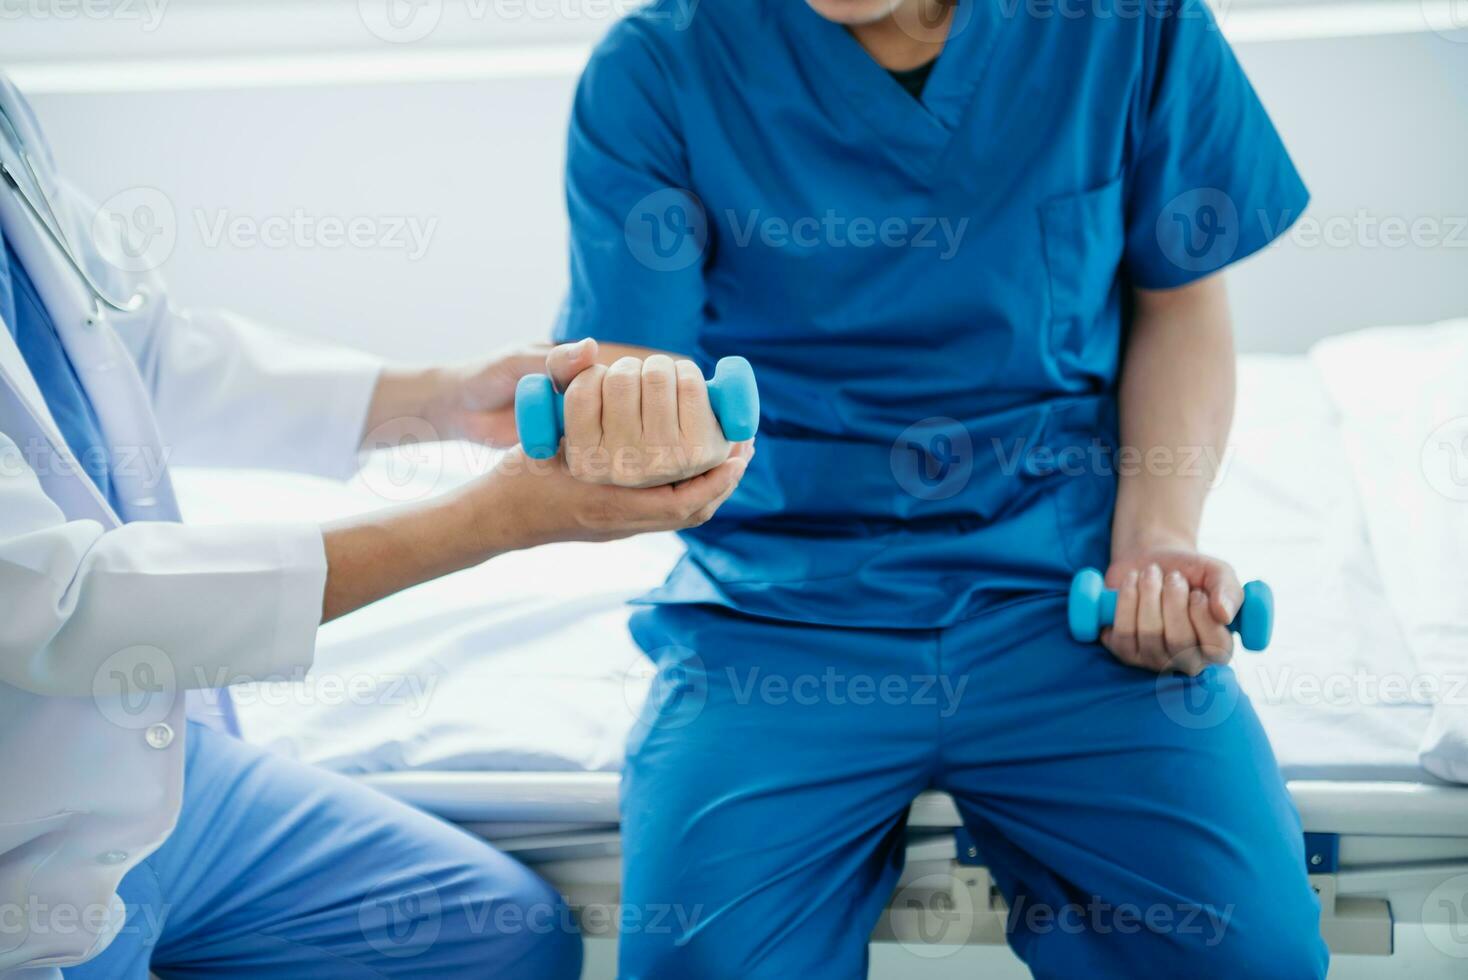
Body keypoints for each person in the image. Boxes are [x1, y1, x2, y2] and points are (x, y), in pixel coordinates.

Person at [551, 0, 1329, 976]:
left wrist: (1157, 538)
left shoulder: (1131, 25)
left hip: (1069, 599)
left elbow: (1176, 302)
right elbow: (633, 371)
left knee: (1247, 953)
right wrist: (626, 426)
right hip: (781, 610)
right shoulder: (661, 66)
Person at [0, 72, 749, 979]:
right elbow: (64, 601)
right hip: (21, 837)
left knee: (498, 935)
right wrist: (492, 520)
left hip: (163, 771)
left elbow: (136, 347)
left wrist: (444, 399)